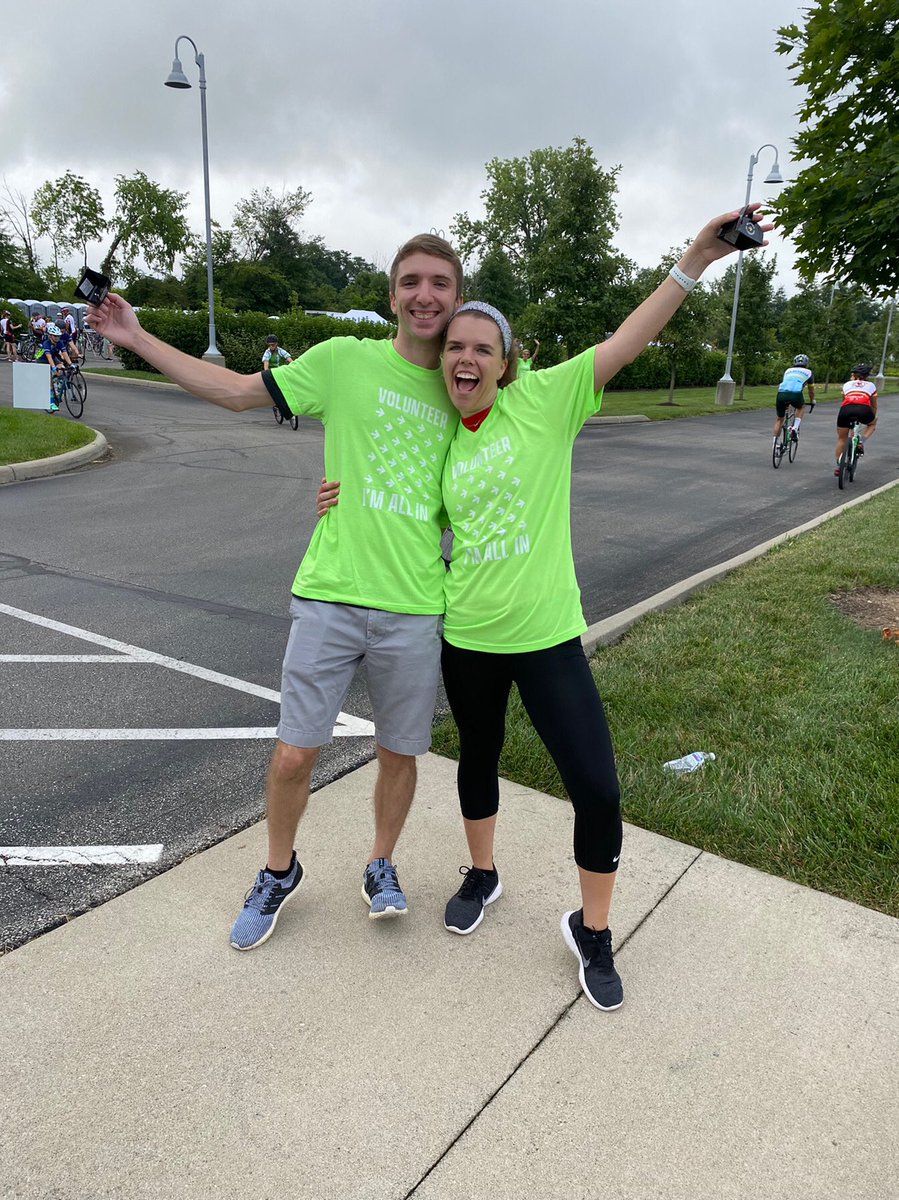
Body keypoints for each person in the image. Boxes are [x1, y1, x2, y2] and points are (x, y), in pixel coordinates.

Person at [318, 203, 772, 1011]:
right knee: (478, 762)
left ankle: (591, 930)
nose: (463, 357)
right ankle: (483, 874)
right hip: (467, 637)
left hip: (547, 635)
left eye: (479, 348)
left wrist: (694, 260)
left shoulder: (548, 401)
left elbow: (631, 336)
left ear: (504, 362)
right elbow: (386, 498)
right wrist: (331, 497)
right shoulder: (441, 436)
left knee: (595, 787)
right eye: (453, 347)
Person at [87, 232, 464, 950]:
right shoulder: (342, 361)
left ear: (455, 296)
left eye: (439, 283)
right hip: (329, 592)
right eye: (411, 281)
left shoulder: (463, 387)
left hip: (415, 604)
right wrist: (135, 335)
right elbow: (231, 393)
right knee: (295, 751)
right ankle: (278, 870)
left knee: (398, 752)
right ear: (392, 296)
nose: (424, 294)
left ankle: (380, 863)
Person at [835, 363, 878, 474]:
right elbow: (874, 405)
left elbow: (843, 400)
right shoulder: (871, 386)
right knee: (872, 424)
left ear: (854, 375)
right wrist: (871, 417)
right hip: (864, 409)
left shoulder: (847, 384)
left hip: (846, 410)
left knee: (841, 438)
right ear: (867, 375)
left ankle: (839, 466)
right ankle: (861, 442)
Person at [772, 353, 815, 447]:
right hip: (796, 394)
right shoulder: (809, 372)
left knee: (779, 419)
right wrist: (812, 401)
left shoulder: (788, 370)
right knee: (801, 407)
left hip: (781, 393)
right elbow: (811, 390)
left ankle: (775, 443)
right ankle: (795, 428)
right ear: (806, 363)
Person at [34, 323, 75, 411]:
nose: (57, 338)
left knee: (63, 368)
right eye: (55, 336)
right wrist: (53, 367)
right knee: (50, 382)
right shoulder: (46, 343)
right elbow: (48, 357)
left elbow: (64, 353)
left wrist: (71, 364)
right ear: (50, 336)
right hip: (42, 360)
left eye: (58, 336)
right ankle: (51, 402)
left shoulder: (59, 342)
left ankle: (59, 386)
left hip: (53, 357)